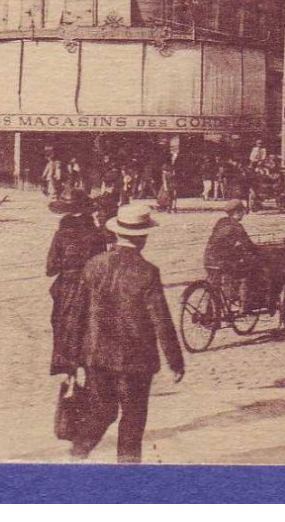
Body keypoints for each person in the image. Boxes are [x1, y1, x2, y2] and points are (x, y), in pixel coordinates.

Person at [68, 203, 185, 463]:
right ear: (142, 237)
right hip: (136, 360)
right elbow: (161, 320)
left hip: (97, 355)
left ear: (117, 233)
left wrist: (72, 359)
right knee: (133, 418)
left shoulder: (93, 265)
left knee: (102, 410)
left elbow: (76, 315)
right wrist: (175, 361)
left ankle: (78, 452)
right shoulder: (147, 272)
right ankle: (127, 473)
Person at [46, 189, 109, 381]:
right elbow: (102, 264)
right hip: (91, 289)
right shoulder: (97, 234)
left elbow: (50, 268)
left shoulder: (61, 234)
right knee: (91, 327)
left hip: (67, 289)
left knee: (63, 325)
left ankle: (67, 370)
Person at [204, 199, 262, 311]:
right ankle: (245, 305)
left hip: (208, 258)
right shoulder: (237, 227)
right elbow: (249, 245)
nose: (244, 214)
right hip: (221, 261)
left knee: (214, 285)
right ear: (237, 212)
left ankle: (212, 314)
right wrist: (260, 252)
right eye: (242, 211)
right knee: (246, 272)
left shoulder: (221, 221)